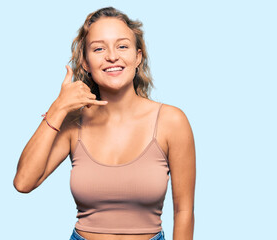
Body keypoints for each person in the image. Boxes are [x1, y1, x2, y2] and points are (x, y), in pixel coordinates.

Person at [13, 7, 196, 240]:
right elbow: (23, 182)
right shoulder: (73, 123)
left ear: (138, 57)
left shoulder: (172, 121)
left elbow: (184, 211)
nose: (112, 56)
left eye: (122, 46)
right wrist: (58, 107)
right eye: (99, 48)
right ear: (86, 63)